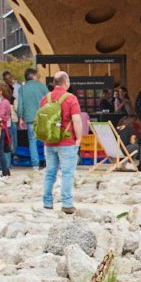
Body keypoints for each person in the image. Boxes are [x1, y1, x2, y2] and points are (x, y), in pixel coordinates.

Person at [39, 71, 85, 214]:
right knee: (67, 173)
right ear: (66, 82)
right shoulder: (71, 98)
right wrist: (79, 138)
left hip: (49, 142)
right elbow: (77, 119)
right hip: (67, 141)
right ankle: (66, 203)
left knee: (50, 173)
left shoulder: (45, 99)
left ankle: (47, 202)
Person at [15, 69, 49, 169]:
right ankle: (48, 162)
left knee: (32, 141)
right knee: (46, 140)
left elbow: (20, 105)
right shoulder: (42, 86)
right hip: (43, 117)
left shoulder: (22, 89)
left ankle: (35, 165)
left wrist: (21, 118)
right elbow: (49, 100)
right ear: (34, 76)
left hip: (30, 118)